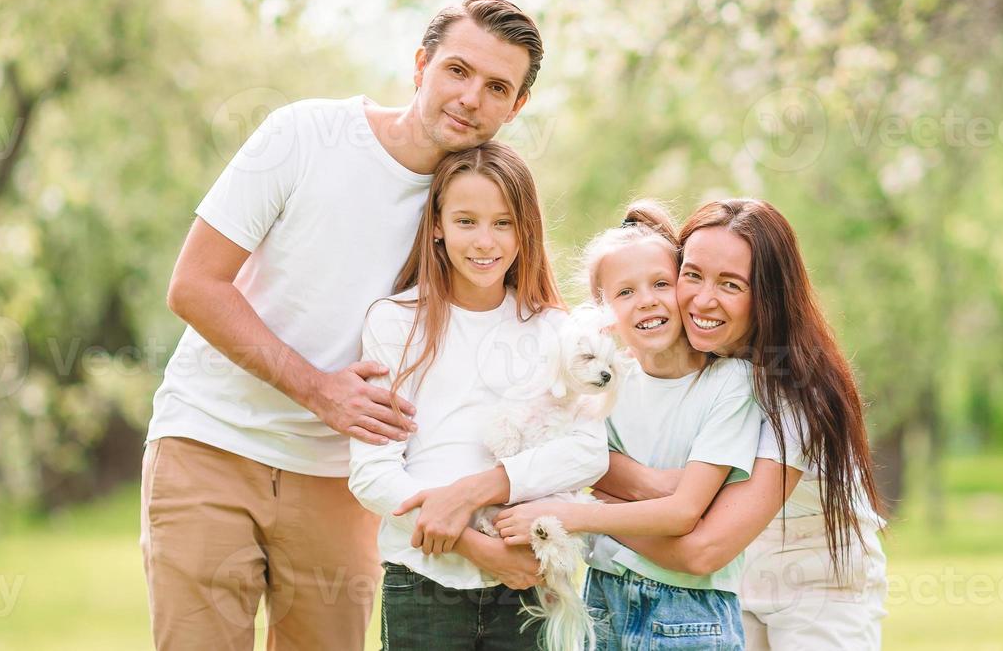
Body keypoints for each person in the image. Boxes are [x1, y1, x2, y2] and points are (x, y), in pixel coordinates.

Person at [141, 0, 547, 651]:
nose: (472, 97)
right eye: (457, 71)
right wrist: (318, 389)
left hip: (343, 482)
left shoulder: (470, 216)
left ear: (515, 107)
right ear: (421, 65)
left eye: (497, 86)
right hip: (212, 444)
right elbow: (193, 287)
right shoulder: (303, 135)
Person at [349, 142, 609, 650]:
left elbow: (587, 452)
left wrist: (479, 490)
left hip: (529, 581)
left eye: (503, 223)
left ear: (525, 229)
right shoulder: (396, 321)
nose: (485, 242)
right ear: (438, 225)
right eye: (467, 221)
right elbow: (372, 472)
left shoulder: (554, 329)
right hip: (424, 579)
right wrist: (474, 546)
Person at [599, 198, 889, 651]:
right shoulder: (695, 361)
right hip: (735, 576)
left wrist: (589, 516)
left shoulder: (798, 389)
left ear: (768, 295)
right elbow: (598, 454)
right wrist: (656, 485)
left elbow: (704, 549)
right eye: (691, 275)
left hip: (818, 578)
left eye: (731, 284)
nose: (703, 299)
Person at [495, 200, 763, 650]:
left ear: (682, 286)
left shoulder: (731, 383)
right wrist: (666, 489)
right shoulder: (603, 386)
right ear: (603, 312)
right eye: (625, 293)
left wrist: (578, 515)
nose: (647, 301)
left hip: (691, 612)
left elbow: (681, 513)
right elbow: (590, 472)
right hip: (603, 597)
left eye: (661, 283)